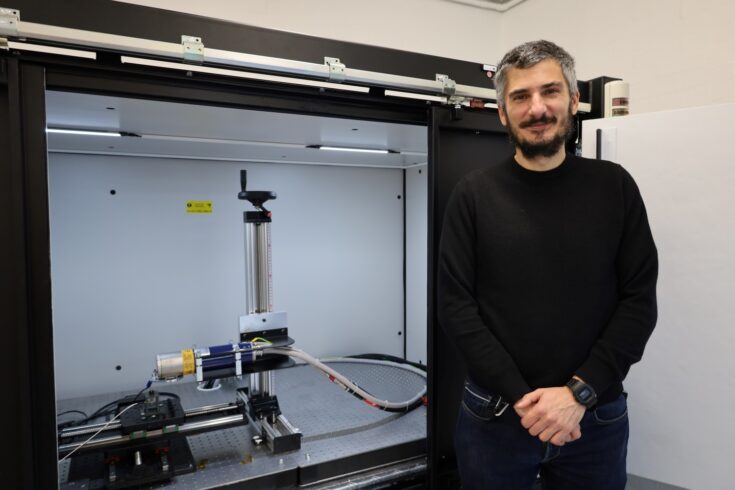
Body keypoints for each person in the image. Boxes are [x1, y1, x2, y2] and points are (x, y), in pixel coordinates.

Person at [437, 40, 658, 490]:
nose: (537, 108)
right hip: (495, 418)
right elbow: (456, 308)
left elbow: (639, 302)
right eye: (520, 96)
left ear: (573, 100)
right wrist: (528, 402)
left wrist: (578, 394)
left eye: (550, 92)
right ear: (502, 112)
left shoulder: (615, 187)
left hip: (594, 419)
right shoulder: (473, 195)